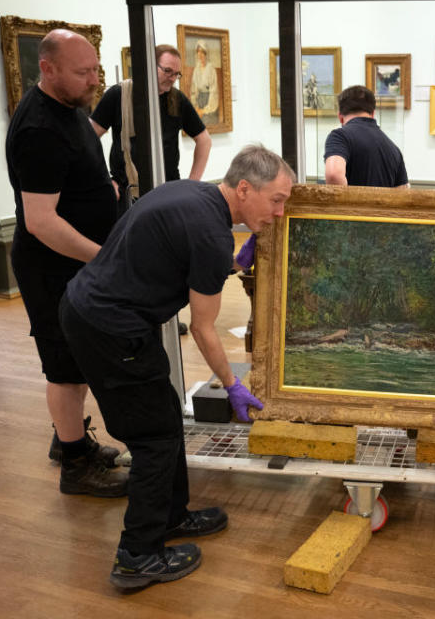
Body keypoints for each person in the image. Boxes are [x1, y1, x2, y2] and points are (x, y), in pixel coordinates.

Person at [58, 145, 296, 589]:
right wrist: (232, 385)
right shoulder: (211, 233)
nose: (280, 213)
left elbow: (181, 251)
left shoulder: (193, 195)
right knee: (155, 439)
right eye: (277, 200)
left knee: (164, 415)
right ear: (244, 189)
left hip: (93, 309)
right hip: (110, 327)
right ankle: (136, 557)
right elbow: (204, 329)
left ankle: (171, 516)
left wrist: (229, 261)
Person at [5, 29, 128, 498]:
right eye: (83, 72)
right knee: (63, 364)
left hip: (75, 263)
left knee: (76, 360)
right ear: (48, 69)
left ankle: (71, 440)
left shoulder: (70, 109)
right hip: (52, 266)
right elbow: (41, 222)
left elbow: (73, 179)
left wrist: (103, 190)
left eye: (96, 69)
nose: (93, 80)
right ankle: (75, 466)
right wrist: (104, 259)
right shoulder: (39, 128)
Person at [90, 44, 212, 217]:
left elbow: (204, 140)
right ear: (149, 66)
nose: (172, 78)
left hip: (168, 192)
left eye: (176, 74)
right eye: (167, 71)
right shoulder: (119, 95)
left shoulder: (177, 100)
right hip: (128, 195)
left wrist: (191, 184)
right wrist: (103, 179)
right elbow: (88, 138)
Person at [323, 85, 409, 188]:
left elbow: (333, 175)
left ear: (340, 117)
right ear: (373, 113)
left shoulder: (340, 136)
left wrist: (346, 203)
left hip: (351, 204)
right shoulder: (393, 148)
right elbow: (403, 192)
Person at [189, 40, 219, 126]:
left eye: (202, 52)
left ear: (206, 54)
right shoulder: (196, 70)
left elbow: (214, 91)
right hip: (199, 102)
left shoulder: (211, 69)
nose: (200, 55)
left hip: (209, 102)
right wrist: (196, 107)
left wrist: (206, 110)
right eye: (198, 52)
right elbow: (193, 91)